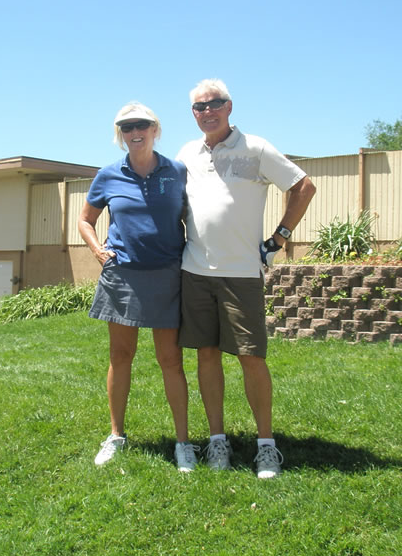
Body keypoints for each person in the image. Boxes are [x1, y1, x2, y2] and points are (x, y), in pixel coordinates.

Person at [176, 79, 316, 478]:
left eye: (215, 103)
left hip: (241, 275)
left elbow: (304, 187)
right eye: (200, 107)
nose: (207, 111)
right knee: (206, 355)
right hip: (195, 272)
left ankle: (266, 446)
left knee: (252, 358)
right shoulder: (186, 154)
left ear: (229, 106)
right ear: (193, 113)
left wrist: (279, 238)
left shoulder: (255, 148)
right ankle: (217, 440)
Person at [78, 102, 198, 472]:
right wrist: (98, 250)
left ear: (155, 129)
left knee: (170, 360)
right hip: (123, 276)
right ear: (121, 134)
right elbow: (85, 220)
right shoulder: (108, 175)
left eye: (142, 125)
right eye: (127, 127)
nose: (135, 132)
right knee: (121, 356)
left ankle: (183, 443)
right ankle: (116, 435)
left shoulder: (176, 171)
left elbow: (193, 216)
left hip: (167, 275)